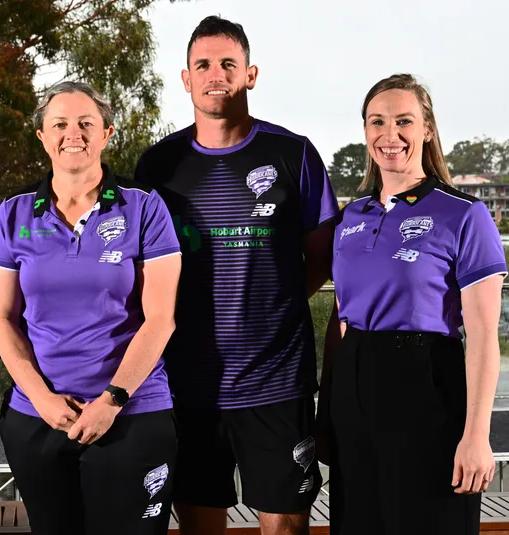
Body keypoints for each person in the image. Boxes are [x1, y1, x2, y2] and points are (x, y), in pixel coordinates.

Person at [134, 15, 339, 535]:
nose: (216, 74)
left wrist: (273, 307)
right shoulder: (158, 165)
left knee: (285, 527)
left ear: (250, 74)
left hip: (277, 382)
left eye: (229, 63)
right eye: (203, 64)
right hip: (187, 383)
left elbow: (322, 256)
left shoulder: (293, 153)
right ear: (186, 79)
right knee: (200, 526)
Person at [0, 81, 182, 535]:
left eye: (85, 123)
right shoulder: (13, 213)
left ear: (107, 133)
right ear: (42, 136)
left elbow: (161, 319)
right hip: (39, 419)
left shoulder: (145, 207)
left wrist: (112, 400)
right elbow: (2, 318)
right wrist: (41, 399)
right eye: (59, 124)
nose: (72, 134)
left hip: (131, 414)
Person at [323, 73, 505, 535]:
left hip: (427, 388)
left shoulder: (464, 214)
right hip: (354, 390)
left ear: (427, 129)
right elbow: (341, 319)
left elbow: (483, 335)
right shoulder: (350, 218)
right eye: (377, 121)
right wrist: (330, 411)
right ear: (365, 131)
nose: (390, 134)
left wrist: (477, 435)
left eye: (404, 121)